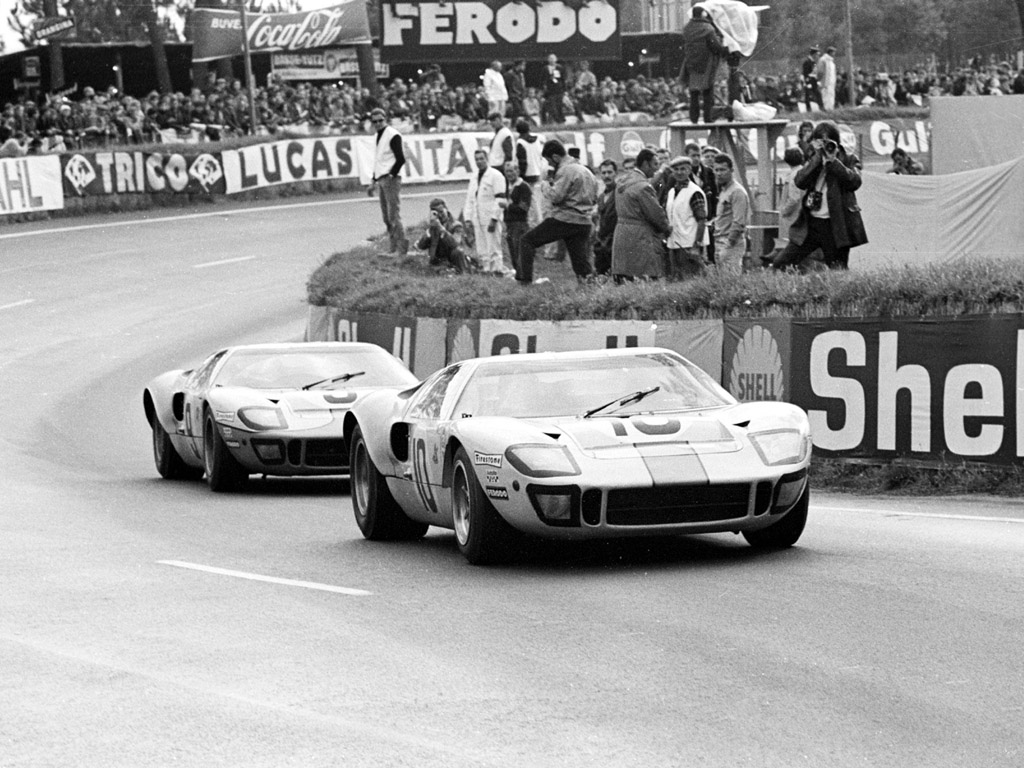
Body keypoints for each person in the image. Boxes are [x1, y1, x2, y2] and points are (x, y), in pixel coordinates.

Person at [771, 120, 867, 271]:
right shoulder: (813, 159)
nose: (825, 145)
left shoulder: (848, 159)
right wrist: (817, 159)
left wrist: (833, 162)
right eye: (820, 141)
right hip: (811, 224)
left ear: (836, 141)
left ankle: (835, 292)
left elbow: (855, 182)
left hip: (836, 225)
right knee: (781, 263)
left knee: (838, 270)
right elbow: (799, 181)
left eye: (828, 141)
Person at [517, 140, 596, 285]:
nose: (550, 165)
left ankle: (524, 282)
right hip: (584, 221)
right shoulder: (586, 171)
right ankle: (591, 288)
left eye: (549, 161)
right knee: (580, 263)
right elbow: (595, 197)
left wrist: (546, 184)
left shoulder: (566, 170)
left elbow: (556, 196)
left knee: (526, 241)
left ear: (555, 157)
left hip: (565, 219)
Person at [611, 148, 671, 281]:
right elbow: (656, 215)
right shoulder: (644, 187)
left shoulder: (623, 180)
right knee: (646, 279)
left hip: (621, 234)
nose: (657, 169)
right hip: (640, 237)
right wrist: (667, 229)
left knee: (625, 280)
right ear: (645, 164)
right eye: (655, 164)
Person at [367, 108, 407, 256]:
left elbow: (401, 158)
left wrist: (392, 174)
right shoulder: (377, 136)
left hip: (390, 178)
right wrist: (373, 181)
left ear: (386, 119)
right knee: (386, 216)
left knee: (393, 214)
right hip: (381, 178)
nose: (378, 124)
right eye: (375, 121)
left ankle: (401, 247)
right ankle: (393, 246)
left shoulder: (393, 135)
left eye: (380, 120)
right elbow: (379, 160)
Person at [681, 6, 729, 124]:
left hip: (691, 63)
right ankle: (708, 118)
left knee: (694, 93)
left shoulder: (687, 28)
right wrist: (725, 50)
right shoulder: (707, 28)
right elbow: (715, 46)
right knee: (708, 92)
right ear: (703, 14)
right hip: (706, 63)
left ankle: (694, 118)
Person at [463, 149, 507, 274]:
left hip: (490, 218)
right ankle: (486, 270)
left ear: (486, 159)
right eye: (477, 159)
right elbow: (470, 199)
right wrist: (467, 219)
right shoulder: (474, 177)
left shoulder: (496, 175)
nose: (479, 161)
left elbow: (500, 199)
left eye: (481, 158)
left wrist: (494, 218)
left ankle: (497, 271)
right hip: (477, 218)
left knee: (494, 247)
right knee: (481, 248)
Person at [665, 156, 709, 280]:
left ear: (689, 170)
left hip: (690, 245)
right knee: (677, 281)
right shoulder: (672, 192)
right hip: (675, 244)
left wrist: (696, 246)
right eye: (676, 169)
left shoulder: (694, 192)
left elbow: (702, 220)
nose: (679, 172)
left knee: (692, 280)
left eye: (683, 169)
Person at [766, 147, 806, 263]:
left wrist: (784, 211)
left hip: (792, 216)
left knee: (789, 241)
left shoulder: (793, 175)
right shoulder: (802, 172)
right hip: (800, 214)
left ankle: (781, 258)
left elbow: (794, 198)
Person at [712, 153, 749, 275]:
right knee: (722, 283)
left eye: (722, 169)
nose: (719, 173)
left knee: (730, 282)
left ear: (731, 170)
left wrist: (729, 244)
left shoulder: (737, 192)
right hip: (720, 240)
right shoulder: (724, 190)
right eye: (716, 170)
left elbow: (739, 222)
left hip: (730, 242)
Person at [415, 198, 473, 273]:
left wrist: (442, 229)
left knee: (458, 251)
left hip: (453, 258)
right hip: (439, 259)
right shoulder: (432, 224)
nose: (440, 215)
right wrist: (428, 232)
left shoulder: (456, 225)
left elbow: (455, 243)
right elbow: (421, 246)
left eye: (441, 212)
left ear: (446, 209)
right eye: (437, 213)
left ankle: (461, 272)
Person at [503, 160, 532, 281]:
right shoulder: (506, 186)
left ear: (518, 171)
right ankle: (518, 276)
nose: (509, 174)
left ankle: (523, 277)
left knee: (519, 250)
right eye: (507, 171)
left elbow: (524, 207)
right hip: (509, 223)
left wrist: (508, 206)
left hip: (520, 223)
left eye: (511, 171)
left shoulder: (523, 187)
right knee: (512, 251)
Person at [593, 159, 618, 276]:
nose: (606, 176)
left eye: (609, 172)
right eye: (603, 173)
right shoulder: (601, 196)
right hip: (603, 241)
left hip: (616, 239)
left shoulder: (620, 193)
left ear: (615, 173)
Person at [541, 54, 567, 125]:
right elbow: (543, 79)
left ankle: (562, 121)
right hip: (550, 91)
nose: (552, 60)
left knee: (559, 107)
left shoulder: (560, 67)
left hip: (559, 90)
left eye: (553, 59)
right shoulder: (545, 68)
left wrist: (565, 90)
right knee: (553, 107)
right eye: (550, 59)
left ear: (556, 59)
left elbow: (563, 79)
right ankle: (557, 121)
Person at [816, 46, 838, 111]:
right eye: (833, 52)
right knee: (826, 97)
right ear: (830, 52)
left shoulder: (831, 61)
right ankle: (826, 109)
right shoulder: (823, 60)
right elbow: (820, 71)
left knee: (831, 96)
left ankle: (830, 109)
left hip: (831, 82)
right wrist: (819, 81)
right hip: (825, 82)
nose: (834, 54)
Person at [802, 47, 821, 111]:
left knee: (817, 94)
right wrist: (808, 82)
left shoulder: (812, 61)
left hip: (813, 80)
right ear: (814, 54)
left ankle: (821, 107)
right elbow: (805, 73)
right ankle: (809, 108)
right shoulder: (807, 62)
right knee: (808, 95)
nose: (817, 56)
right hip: (809, 81)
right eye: (817, 54)